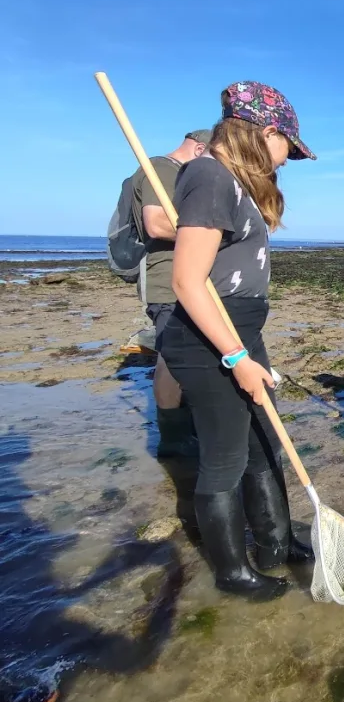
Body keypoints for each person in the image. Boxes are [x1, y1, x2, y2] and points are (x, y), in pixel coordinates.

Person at [159, 81, 317, 600]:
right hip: (209, 342)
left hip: (241, 332)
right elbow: (186, 280)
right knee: (225, 458)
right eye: (288, 148)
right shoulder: (207, 175)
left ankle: (276, 542)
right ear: (267, 132)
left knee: (265, 442)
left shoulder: (233, 181)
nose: (289, 160)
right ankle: (232, 574)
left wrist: (246, 349)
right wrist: (237, 358)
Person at [129, 129, 212, 458]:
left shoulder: (179, 174)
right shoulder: (162, 169)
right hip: (168, 280)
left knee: (191, 353)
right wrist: (218, 230)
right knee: (174, 357)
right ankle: (172, 438)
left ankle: (188, 424)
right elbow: (158, 224)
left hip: (188, 277)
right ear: (201, 148)